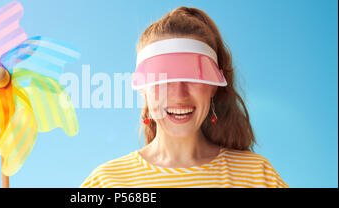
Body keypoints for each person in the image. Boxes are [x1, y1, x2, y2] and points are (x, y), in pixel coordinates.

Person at [80, 7, 288, 188]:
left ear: (214, 86)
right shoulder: (107, 182)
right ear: (143, 87)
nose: (179, 95)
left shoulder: (257, 175)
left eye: (193, 78)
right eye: (164, 80)